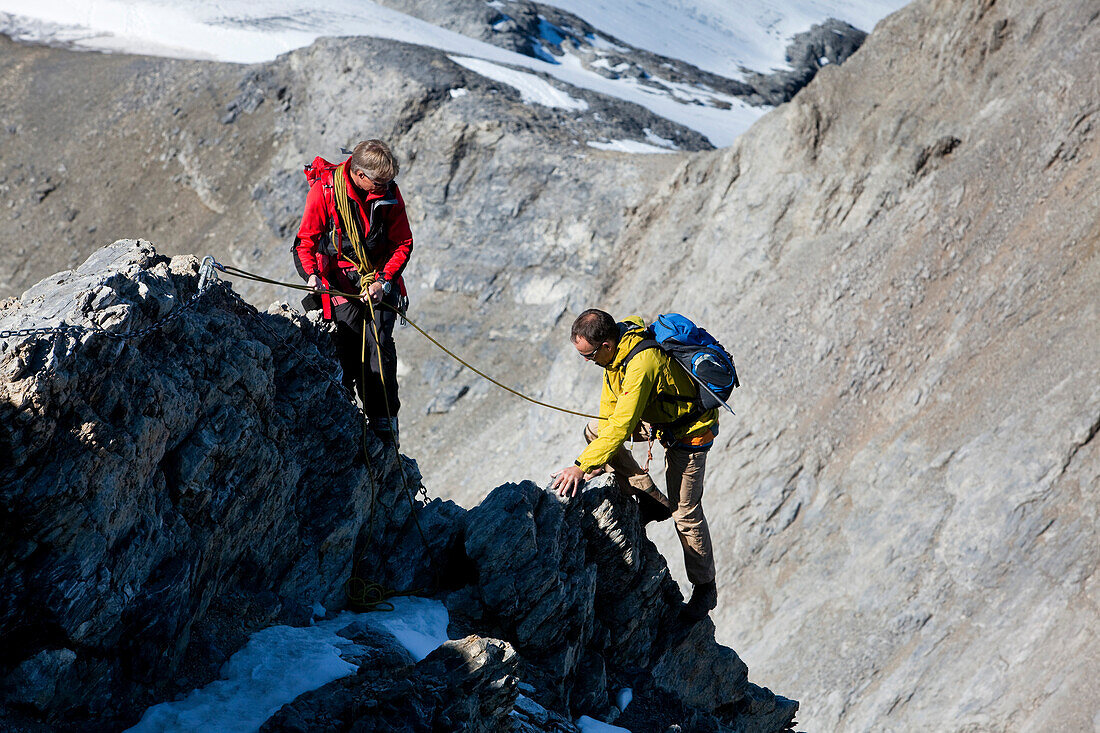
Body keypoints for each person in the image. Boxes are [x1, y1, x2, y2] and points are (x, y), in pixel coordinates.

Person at [551, 308, 720, 621]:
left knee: (685, 513)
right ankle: (651, 498)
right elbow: (609, 417)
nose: (586, 362)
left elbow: (623, 423)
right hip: (662, 419)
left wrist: (580, 466)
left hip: (691, 431)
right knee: (594, 431)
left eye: (588, 355)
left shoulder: (641, 363)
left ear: (606, 345)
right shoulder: (614, 358)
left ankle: (705, 588)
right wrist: (599, 460)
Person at [292, 139, 413, 443]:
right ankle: (345, 418)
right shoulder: (325, 192)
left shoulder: (388, 193)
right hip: (338, 282)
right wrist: (312, 276)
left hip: (378, 279)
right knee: (346, 342)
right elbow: (304, 243)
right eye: (379, 182)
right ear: (359, 175)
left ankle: (384, 422)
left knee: (380, 345)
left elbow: (402, 243)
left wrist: (382, 281)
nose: (386, 187)